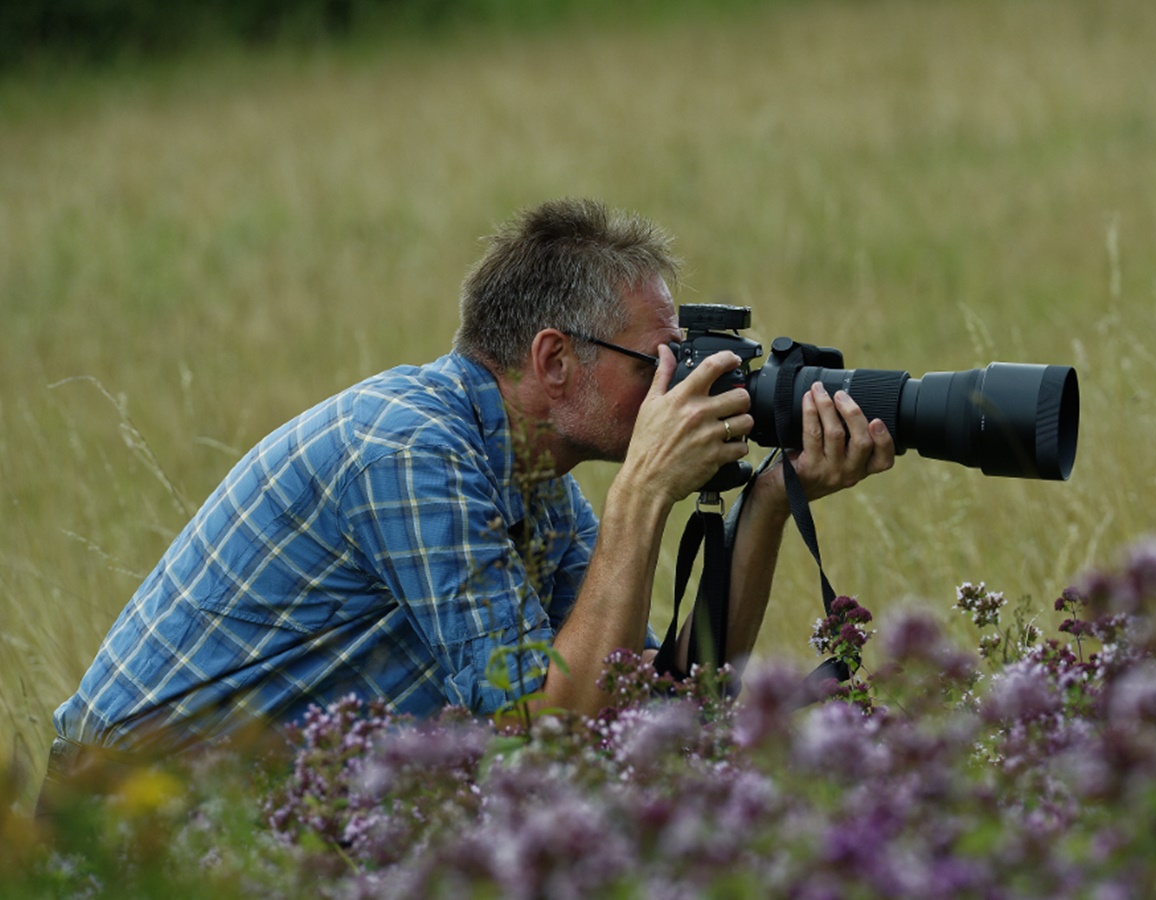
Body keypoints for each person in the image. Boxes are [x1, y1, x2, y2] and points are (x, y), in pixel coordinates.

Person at [46, 197, 893, 770]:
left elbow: (648, 717)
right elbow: (547, 732)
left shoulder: (531, 479)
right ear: (554, 359)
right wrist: (641, 494)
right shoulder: (406, 453)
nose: (682, 386)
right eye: (659, 361)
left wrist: (772, 502)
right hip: (131, 834)